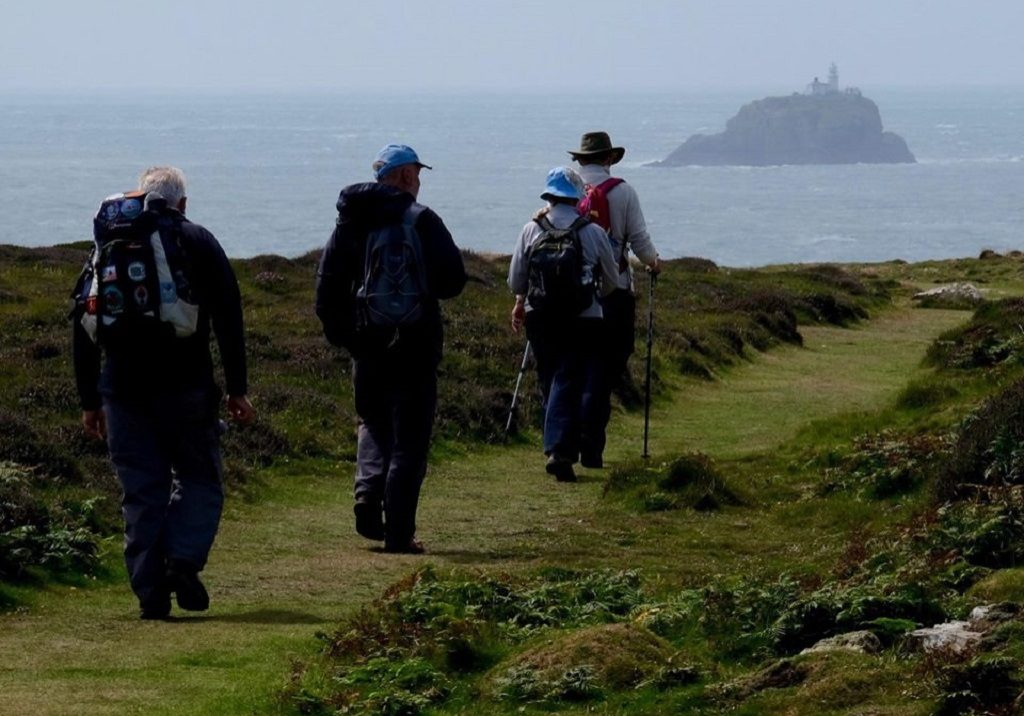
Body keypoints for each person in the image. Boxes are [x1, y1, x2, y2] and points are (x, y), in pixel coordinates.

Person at [72, 166, 255, 620]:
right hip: (186, 386)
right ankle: (182, 560)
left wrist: (89, 400)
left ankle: (150, 594)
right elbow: (230, 318)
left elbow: (83, 320)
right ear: (182, 204)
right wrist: (237, 389)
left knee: (141, 490)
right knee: (199, 478)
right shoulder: (196, 240)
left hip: (121, 389)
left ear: (140, 197)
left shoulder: (108, 245)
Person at [316, 144, 466, 554]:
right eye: (416, 173)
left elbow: (326, 289)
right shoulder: (422, 220)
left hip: (368, 344)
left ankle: (367, 493)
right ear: (403, 177)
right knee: (410, 441)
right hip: (416, 344)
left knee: (373, 422)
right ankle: (399, 534)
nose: (418, 181)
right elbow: (453, 280)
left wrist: (348, 337)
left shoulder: (351, 224)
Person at [508, 167, 618, 481]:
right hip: (582, 317)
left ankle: (561, 449)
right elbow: (611, 282)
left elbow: (516, 278)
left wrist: (522, 301)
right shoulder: (593, 232)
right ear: (576, 197)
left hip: (540, 316)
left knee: (550, 380)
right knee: (569, 380)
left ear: (550, 195)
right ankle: (560, 450)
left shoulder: (531, 230)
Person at [569, 132, 662, 405]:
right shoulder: (623, 191)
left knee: (574, 363)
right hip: (615, 289)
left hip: (571, 290)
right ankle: (593, 426)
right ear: (609, 158)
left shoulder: (566, 189)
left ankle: (568, 428)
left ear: (581, 159)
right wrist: (654, 262)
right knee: (607, 362)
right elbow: (640, 242)